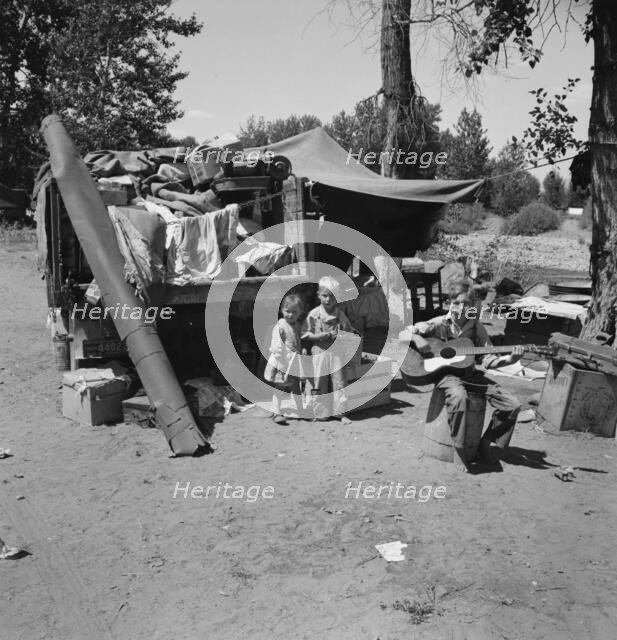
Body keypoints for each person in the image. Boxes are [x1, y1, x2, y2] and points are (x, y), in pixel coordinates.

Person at [410, 279, 523, 472]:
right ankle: (459, 449)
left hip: (471, 374)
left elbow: (488, 359)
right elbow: (405, 333)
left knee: (512, 404)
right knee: (459, 397)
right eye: (456, 303)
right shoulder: (439, 324)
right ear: (449, 303)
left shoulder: (477, 328)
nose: (460, 308)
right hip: (447, 375)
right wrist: (417, 338)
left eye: (466, 303)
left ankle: (486, 442)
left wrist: (510, 359)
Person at [302, 276, 359, 424]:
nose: (328, 300)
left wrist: (340, 336)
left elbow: (349, 333)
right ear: (319, 295)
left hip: (337, 354)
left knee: (339, 382)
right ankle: (320, 412)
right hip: (319, 352)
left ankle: (340, 413)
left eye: (332, 297)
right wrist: (318, 336)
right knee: (318, 382)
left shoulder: (340, 315)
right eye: (325, 296)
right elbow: (305, 333)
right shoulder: (314, 315)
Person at [263, 294, 304, 425]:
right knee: (280, 387)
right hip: (283, 362)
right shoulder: (280, 327)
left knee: (296, 386)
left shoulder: (297, 325)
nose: (290, 315)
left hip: (294, 362)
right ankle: (276, 411)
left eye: (294, 312)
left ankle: (300, 409)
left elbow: (297, 340)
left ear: (300, 313)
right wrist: (280, 361)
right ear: (282, 310)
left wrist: (301, 350)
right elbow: (277, 346)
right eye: (287, 311)